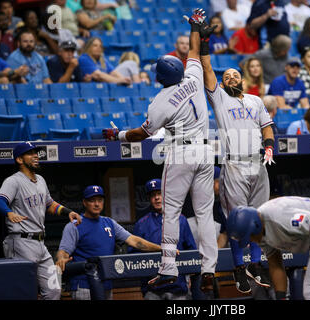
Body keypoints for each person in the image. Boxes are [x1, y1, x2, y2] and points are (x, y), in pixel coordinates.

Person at [102, 9, 218, 296]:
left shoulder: (160, 102)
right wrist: (194, 26)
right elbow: (193, 49)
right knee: (204, 213)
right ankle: (210, 269)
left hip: (181, 154)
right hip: (206, 153)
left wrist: (117, 135)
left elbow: (141, 135)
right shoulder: (192, 75)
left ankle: (168, 268)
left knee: (170, 211)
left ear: (159, 77)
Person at [198, 20, 275, 294]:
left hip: (258, 161)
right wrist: (204, 41)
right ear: (221, 83)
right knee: (235, 220)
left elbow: (267, 126)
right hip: (234, 163)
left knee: (258, 217)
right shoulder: (219, 98)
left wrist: (269, 147)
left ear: (242, 79)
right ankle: (239, 267)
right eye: (226, 76)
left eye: (235, 75)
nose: (231, 78)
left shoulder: (255, 100)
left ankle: (256, 263)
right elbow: (207, 68)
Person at [0, 142, 82, 300]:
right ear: (20, 160)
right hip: (21, 241)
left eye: (36, 152)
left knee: (54, 289)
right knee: (23, 291)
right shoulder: (14, 181)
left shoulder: (40, 179)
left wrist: (68, 212)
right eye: (30, 153)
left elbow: (49, 204)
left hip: (41, 243)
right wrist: (9, 213)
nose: (36, 156)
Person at [56, 185, 162, 300]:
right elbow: (63, 251)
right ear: (84, 202)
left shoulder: (109, 223)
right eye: (92, 200)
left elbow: (134, 241)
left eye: (100, 200)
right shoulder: (75, 225)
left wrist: (162, 248)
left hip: (106, 284)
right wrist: (61, 258)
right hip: (84, 286)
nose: (97, 204)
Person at [128, 179, 197, 300]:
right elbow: (133, 257)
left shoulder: (181, 220)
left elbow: (191, 251)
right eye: (153, 195)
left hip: (178, 287)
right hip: (152, 289)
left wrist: (189, 277)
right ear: (149, 198)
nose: (157, 198)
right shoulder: (141, 224)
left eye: (160, 194)